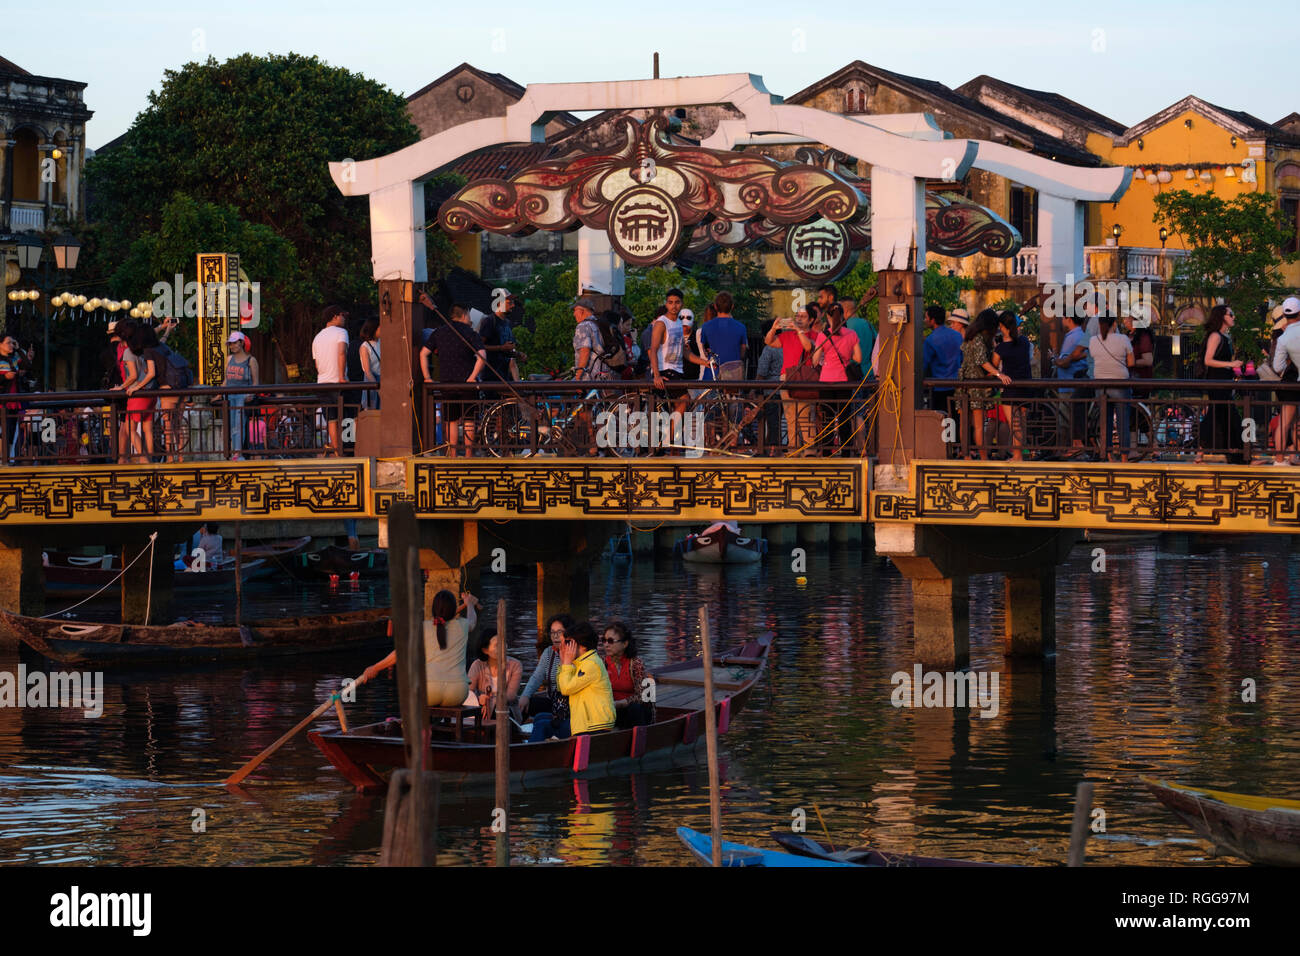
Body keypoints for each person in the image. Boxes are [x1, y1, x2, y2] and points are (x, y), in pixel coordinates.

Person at [363, 590, 480, 709]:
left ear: (433, 609)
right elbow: (472, 620)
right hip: (458, 693)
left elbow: (400, 654)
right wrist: (469, 604)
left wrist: (375, 668)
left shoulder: (423, 627)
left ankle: (421, 727)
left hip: (429, 691)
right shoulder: (462, 626)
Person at [802, 302, 861, 455]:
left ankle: (827, 453)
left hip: (826, 381)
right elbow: (859, 358)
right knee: (844, 418)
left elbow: (815, 361)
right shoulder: (851, 334)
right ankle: (847, 452)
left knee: (827, 417)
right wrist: (847, 357)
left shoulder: (823, 335)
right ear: (842, 316)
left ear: (828, 316)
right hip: (844, 382)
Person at [431, 304, 487, 456]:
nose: (470, 319)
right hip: (467, 382)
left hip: (447, 382)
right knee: (469, 419)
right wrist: (472, 376)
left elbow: (424, 353)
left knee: (451, 420)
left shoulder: (439, 332)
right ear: (464, 315)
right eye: (469, 316)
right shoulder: (470, 332)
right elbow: (482, 355)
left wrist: (427, 377)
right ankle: (469, 454)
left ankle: (452, 454)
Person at [765, 307, 817, 455]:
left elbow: (808, 346)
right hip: (786, 377)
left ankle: (810, 450)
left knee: (806, 414)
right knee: (790, 416)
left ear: (811, 320)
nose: (799, 319)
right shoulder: (787, 335)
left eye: (803, 316)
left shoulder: (814, 334)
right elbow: (769, 341)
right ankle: (793, 448)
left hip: (804, 378)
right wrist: (774, 328)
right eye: (797, 316)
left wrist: (799, 331)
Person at [1198, 304, 1244, 463]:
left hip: (1223, 382)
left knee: (1222, 417)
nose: (1233, 317)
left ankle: (1236, 455)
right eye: (1231, 314)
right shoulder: (1215, 336)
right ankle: (1242, 456)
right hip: (1217, 383)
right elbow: (1208, 360)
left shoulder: (1224, 337)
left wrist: (1231, 369)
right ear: (1222, 317)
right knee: (1226, 417)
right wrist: (1231, 364)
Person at [521, 613, 575, 740]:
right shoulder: (548, 652)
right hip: (553, 702)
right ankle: (518, 735)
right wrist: (525, 695)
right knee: (526, 704)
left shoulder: (575, 653)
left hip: (570, 706)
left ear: (569, 633)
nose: (555, 637)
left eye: (559, 632)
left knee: (541, 720)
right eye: (552, 633)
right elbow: (536, 677)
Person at [1088, 313, 1135, 462]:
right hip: (1120, 383)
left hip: (1101, 384)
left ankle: (1108, 455)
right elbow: (1131, 362)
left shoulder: (1093, 340)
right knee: (1122, 421)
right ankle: (1124, 457)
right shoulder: (1123, 339)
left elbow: (1095, 358)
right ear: (1114, 324)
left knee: (1105, 421)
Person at [556, 621, 616, 736]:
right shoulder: (581, 663)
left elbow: (566, 689)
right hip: (584, 724)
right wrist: (563, 662)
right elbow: (560, 687)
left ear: (582, 646)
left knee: (546, 726)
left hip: (595, 725)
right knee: (544, 723)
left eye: (568, 642)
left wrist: (567, 664)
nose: (564, 646)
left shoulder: (591, 664)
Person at [989, 311, 1033, 462]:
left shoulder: (1001, 348)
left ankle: (1017, 456)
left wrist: (997, 374)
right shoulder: (1025, 342)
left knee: (1014, 424)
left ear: (1002, 326)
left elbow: (993, 367)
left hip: (1010, 388)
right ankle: (1020, 453)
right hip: (1026, 386)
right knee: (1022, 422)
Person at [959, 310, 998, 460]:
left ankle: (966, 456)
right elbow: (982, 361)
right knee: (979, 425)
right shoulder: (980, 338)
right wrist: (998, 374)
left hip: (964, 382)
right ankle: (983, 457)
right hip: (977, 383)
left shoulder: (968, 337)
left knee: (965, 423)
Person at [601, 621, 654, 729]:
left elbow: (643, 697)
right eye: (604, 640)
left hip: (634, 711)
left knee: (635, 708)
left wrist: (621, 703)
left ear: (625, 644)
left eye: (610, 641)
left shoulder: (635, 663)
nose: (606, 645)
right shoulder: (602, 663)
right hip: (612, 709)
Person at [312, 305, 350, 456]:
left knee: (331, 419)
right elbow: (342, 352)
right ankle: (347, 449)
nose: (344, 318)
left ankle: (336, 450)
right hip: (337, 381)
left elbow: (317, 364)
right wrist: (341, 376)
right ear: (335, 316)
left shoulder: (317, 337)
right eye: (342, 315)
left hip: (322, 382)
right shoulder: (341, 332)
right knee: (345, 416)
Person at [1052, 312, 1090, 457]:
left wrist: (1055, 359)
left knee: (1066, 419)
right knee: (1073, 418)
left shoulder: (1073, 337)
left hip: (1068, 383)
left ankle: (1070, 451)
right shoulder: (1080, 334)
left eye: (1063, 318)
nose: (1062, 321)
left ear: (1068, 319)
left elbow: (1065, 362)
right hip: (1074, 381)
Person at [468, 627, 523, 725]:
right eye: (497, 645)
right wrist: (479, 698)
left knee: (499, 708)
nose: (503, 647)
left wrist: (490, 700)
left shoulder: (515, 665)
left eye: (504, 643)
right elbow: (468, 691)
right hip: (481, 712)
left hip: (507, 713)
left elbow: (510, 695)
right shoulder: (477, 665)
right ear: (485, 650)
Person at [124, 324, 161, 462]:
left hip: (140, 393)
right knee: (148, 429)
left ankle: (144, 459)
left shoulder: (133, 351)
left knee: (130, 429)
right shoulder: (153, 349)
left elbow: (134, 375)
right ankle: (150, 458)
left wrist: (135, 387)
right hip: (152, 393)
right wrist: (166, 329)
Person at [1270, 297, 1300, 464]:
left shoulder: (1282, 337)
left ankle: (1281, 458)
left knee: (1286, 422)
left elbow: (1277, 366)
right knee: (1294, 423)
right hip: (1295, 382)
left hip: (1289, 383)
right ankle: (1291, 456)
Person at [649, 289, 688, 416]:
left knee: (677, 408)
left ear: (681, 304)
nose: (674, 306)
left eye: (677, 302)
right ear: (666, 304)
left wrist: (705, 362)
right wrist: (656, 375)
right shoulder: (661, 323)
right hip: (665, 370)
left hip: (677, 370)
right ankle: (669, 436)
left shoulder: (678, 323)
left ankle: (672, 434)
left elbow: (684, 351)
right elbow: (653, 349)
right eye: (670, 302)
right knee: (685, 400)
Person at [922, 305, 964, 414]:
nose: (925, 320)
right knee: (956, 420)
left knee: (941, 422)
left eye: (926, 318)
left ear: (933, 320)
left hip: (939, 387)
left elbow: (923, 364)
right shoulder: (957, 336)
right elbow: (963, 358)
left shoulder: (930, 340)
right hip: (957, 385)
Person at [698, 292, 748, 381]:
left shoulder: (706, 326)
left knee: (711, 395)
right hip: (733, 373)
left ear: (715, 306)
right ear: (732, 306)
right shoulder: (741, 327)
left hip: (712, 372)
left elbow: (705, 351)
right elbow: (743, 351)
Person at [224, 331, 258, 460]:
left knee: (239, 424)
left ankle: (237, 453)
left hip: (242, 396)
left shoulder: (251, 360)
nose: (232, 346)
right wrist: (217, 394)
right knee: (231, 425)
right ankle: (234, 452)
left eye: (234, 343)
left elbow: (256, 383)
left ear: (242, 343)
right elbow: (226, 380)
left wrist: (251, 394)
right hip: (230, 396)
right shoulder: (229, 359)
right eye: (230, 343)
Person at [756, 319, 785, 450]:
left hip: (771, 391)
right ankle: (781, 447)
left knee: (772, 423)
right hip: (786, 389)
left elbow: (762, 371)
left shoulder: (769, 349)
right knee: (781, 421)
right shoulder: (787, 345)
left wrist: (754, 389)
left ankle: (773, 450)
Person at [572, 296, 613, 382]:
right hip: (604, 373)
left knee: (565, 393)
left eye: (575, 310)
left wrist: (578, 376)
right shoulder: (598, 324)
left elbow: (585, 351)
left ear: (581, 311)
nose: (574, 314)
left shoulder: (583, 326)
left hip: (589, 376)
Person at [358, 318, 381, 410]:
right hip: (372, 381)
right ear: (373, 329)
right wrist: (378, 387)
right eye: (380, 327)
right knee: (373, 410)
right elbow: (367, 371)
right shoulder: (365, 346)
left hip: (383, 380)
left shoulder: (382, 342)